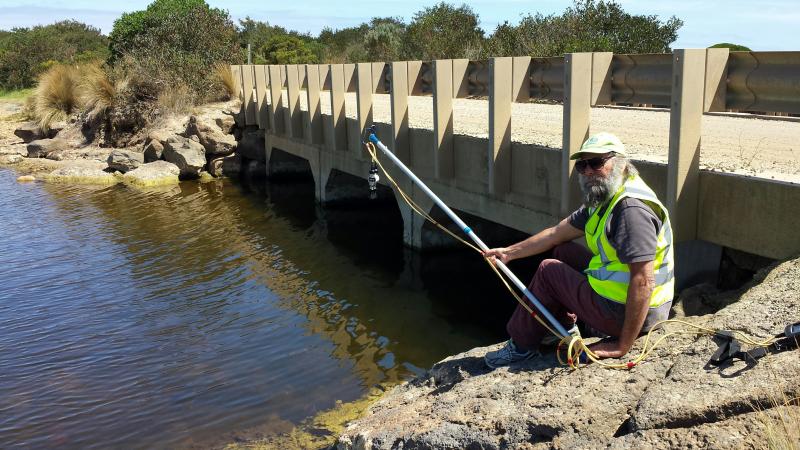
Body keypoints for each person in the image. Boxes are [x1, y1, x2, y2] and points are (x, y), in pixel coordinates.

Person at [483, 132, 674, 369]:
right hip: (622, 300)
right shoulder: (605, 197)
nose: (588, 172)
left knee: (548, 271)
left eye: (596, 163)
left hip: (635, 314)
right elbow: (556, 234)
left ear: (621, 164)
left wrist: (622, 345)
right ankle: (559, 329)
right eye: (582, 165)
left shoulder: (630, 211)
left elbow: (644, 281)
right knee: (563, 251)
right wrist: (509, 253)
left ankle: (521, 347)